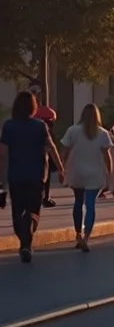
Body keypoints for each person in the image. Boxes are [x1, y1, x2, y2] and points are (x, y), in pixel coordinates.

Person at [0, 91, 63, 263]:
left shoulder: (9, 126)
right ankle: (26, 240)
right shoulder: (40, 126)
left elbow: (3, 153)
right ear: (33, 107)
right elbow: (51, 147)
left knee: (16, 213)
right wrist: (60, 168)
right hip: (37, 176)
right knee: (33, 211)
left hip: (16, 176)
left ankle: (25, 242)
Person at [61, 103, 113, 252]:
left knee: (78, 202)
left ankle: (78, 234)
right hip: (95, 172)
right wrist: (110, 173)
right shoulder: (102, 133)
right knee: (90, 205)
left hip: (76, 171)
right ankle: (86, 237)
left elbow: (65, 151)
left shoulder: (73, 130)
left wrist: (62, 168)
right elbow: (107, 156)